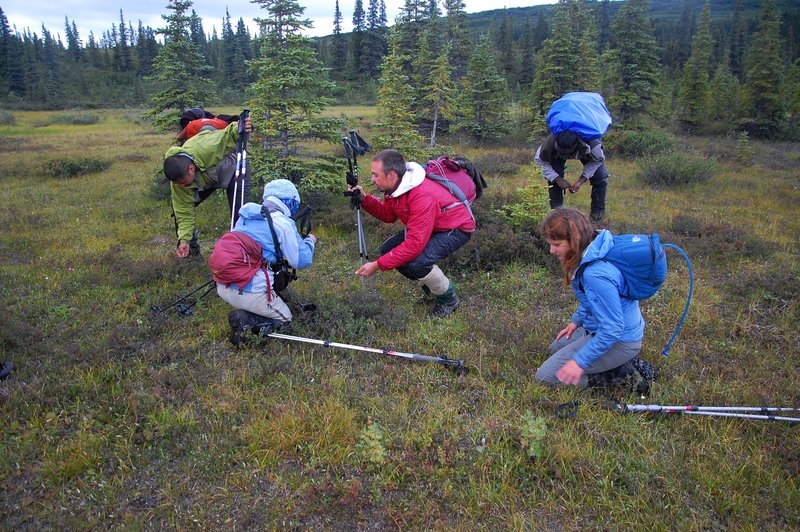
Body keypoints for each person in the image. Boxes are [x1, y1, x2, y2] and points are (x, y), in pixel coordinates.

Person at [535, 208, 653, 393]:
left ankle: (621, 377)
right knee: (555, 349)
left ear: (574, 241)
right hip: (599, 327)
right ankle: (611, 362)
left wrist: (579, 363)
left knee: (546, 377)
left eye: (557, 244)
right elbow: (591, 301)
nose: (551, 250)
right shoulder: (593, 249)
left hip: (620, 339)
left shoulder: (596, 274)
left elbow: (613, 328)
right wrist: (576, 321)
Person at [349, 149, 475, 318]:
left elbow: (414, 245)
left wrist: (377, 265)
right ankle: (433, 290)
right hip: (433, 225)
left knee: (418, 263)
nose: (372, 179)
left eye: (375, 175)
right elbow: (388, 215)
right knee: (389, 250)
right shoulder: (396, 187)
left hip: (456, 227)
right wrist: (365, 198)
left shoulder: (421, 196)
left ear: (391, 175)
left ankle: (448, 299)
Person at [217, 179, 318, 345]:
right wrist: (310, 242)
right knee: (286, 320)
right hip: (250, 291)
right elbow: (300, 260)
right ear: (290, 202)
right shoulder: (283, 223)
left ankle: (251, 310)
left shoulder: (247, 215)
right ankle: (245, 320)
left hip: (223, 285)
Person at [163, 116, 252, 258]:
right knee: (178, 211)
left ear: (191, 169)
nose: (182, 186)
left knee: (241, 213)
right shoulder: (179, 181)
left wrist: (241, 126)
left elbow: (228, 134)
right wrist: (184, 239)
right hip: (207, 177)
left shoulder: (207, 147)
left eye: (183, 182)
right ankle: (191, 252)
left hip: (232, 167)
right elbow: (184, 212)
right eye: (178, 183)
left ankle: (242, 256)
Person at [534, 130, 608, 221]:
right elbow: (539, 162)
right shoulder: (548, 145)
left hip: (584, 151)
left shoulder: (593, 145)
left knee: (600, 177)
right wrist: (557, 179)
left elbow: (597, 161)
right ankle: (557, 215)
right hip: (556, 153)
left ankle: (597, 217)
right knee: (554, 175)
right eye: (562, 152)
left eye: (567, 153)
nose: (565, 156)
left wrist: (581, 180)